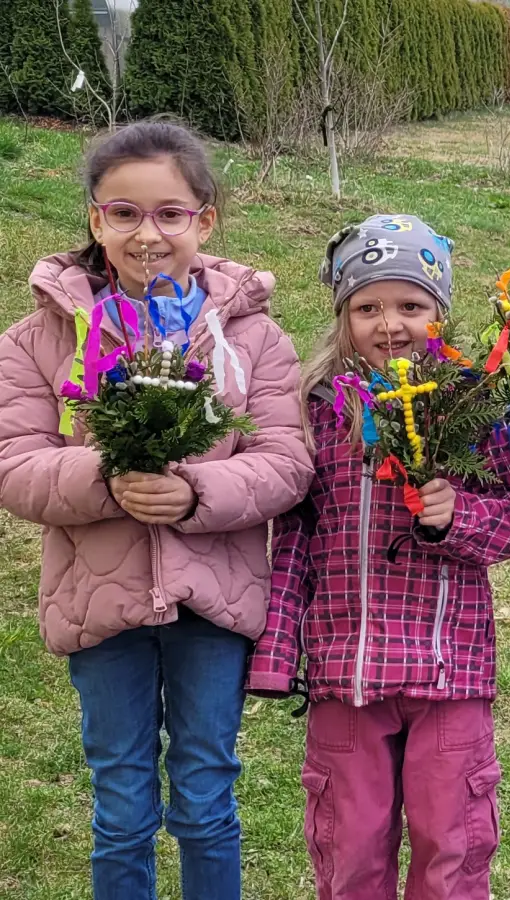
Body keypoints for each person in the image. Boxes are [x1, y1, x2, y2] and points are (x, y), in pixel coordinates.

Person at [0, 119, 314, 899]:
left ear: (204, 220)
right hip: (99, 599)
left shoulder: (253, 338)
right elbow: (14, 464)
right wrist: (106, 475)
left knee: (206, 794)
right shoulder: (38, 340)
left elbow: (285, 461)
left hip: (215, 597)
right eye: (125, 213)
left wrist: (197, 493)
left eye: (171, 213)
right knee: (122, 805)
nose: (149, 233)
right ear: (95, 219)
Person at [246, 214, 510, 900]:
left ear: (438, 311)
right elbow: (293, 534)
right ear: (343, 314)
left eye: (411, 305)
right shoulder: (319, 411)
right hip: (345, 672)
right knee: (350, 854)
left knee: (453, 848)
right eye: (368, 307)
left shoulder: (469, 401)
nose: (390, 325)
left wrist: (456, 516)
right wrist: (275, 651)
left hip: (449, 671)